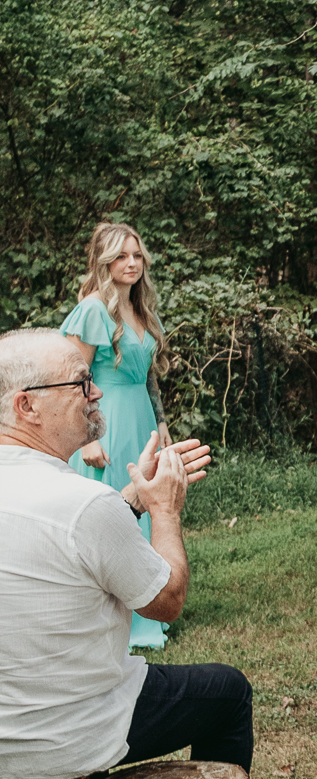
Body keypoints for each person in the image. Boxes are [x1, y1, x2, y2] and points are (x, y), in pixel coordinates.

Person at [0, 330, 283, 779]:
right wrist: (164, 511)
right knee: (225, 690)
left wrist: (127, 496)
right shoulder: (80, 503)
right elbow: (168, 599)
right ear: (26, 404)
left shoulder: (83, 504)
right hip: (71, 743)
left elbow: (70, 537)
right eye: (79, 382)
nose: (96, 390)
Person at [59, 224, 175, 653]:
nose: (131, 263)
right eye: (121, 256)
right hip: (103, 420)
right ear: (104, 261)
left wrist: (161, 423)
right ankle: (96, 614)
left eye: (137, 256)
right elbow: (71, 375)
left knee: (143, 509)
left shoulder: (144, 312)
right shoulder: (92, 310)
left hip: (140, 421)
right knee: (107, 514)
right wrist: (86, 436)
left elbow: (150, 379)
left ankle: (143, 612)